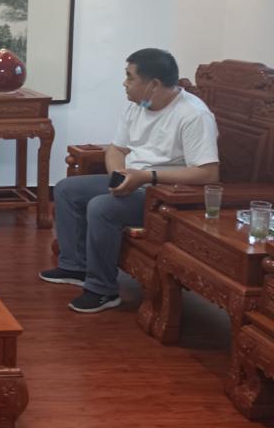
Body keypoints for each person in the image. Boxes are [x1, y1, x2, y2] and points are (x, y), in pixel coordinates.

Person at [40, 48, 219, 313]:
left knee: (101, 207)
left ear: (154, 84)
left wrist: (147, 176)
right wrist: (119, 177)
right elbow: (117, 149)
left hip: (163, 194)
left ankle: (102, 290)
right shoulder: (138, 105)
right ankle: (75, 267)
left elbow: (208, 173)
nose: (124, 83)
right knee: (67, 190)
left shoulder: (193, 115)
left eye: (130, 77)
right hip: (134, 181)